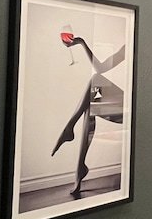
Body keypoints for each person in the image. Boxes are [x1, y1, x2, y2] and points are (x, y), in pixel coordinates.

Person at [52, 35, 125, 198]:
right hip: (126, 104)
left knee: (95, 81)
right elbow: (100, 67)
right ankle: (80, 168)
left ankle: (69, 129)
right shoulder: (129, 47)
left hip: (139, 108)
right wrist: (82, 43)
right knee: (89, 104)